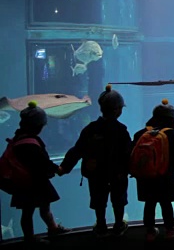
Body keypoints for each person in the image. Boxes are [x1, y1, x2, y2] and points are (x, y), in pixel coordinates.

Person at [59, 84, 131, 238]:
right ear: (118, 109)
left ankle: (101, 225)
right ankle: (119, 225)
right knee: (118, 199)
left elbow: (77, 150)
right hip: (117, 173)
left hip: (96, 173)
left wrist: (64, 167)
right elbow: (128, 153)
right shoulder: (121, 130)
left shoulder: (90, 129)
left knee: (99, 200)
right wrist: (133, 170)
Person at [9, 101, 70, 244]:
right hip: (33, 183)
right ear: (39, 126)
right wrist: (57, 169)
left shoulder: (18, 139)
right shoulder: (30, 143)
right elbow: (43, 162)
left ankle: (45, 230)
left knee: (29, 211)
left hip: (23, 182)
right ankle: (35, 236)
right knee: (38, 209)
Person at [131, 98, 174, 242]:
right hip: (165, 177)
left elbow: (132, 154)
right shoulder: (171, 134)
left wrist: (134, 172)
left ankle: (150, 231)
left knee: (149, 204)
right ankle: (170, 230)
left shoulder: (140, 133)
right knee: (165, 203)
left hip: (145, 177)